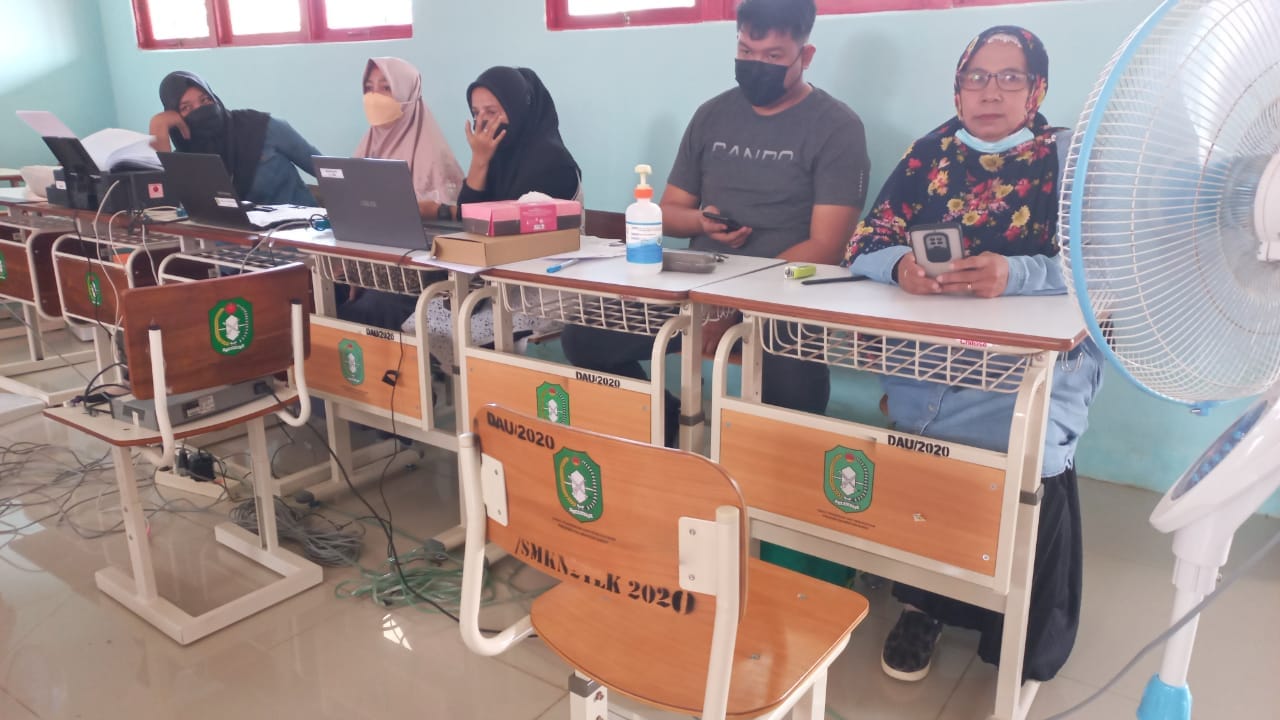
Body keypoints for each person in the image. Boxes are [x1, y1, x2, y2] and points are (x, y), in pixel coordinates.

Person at [843, 25, 1104, 684]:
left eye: (1010, 77)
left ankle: (1018, 627)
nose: (991, 92)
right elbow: (864, 241)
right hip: (930, 360)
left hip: (1033, 368)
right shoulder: (927, 157)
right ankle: (923, 604)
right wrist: (899, 266)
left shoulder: (1069, 159)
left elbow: (1105, 265)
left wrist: (1016, 275)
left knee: (1022, 456)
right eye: (976, 77)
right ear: (958, 90)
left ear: (1037, 89)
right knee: (931, 467)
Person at [560, 0, 870, 448]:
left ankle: (774, 471)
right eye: (745, 51)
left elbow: (826, 246)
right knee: (586, 337)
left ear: (806, 56)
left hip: (784, 295)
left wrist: (731, 308)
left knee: (795, 394)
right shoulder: (712, 115)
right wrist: (701, 221)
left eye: (773, 56)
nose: (756, 65)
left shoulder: (837, 127)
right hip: (696, 288)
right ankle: (667, 424)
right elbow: (670, 212)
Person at [338, 57, 465, 330]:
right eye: (369, 87)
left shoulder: (432, 155)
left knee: (362, 311)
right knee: (325, 293)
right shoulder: (367, 145)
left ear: (407, 93)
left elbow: (449, 236)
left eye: (386, 88)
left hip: (418, 276)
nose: (374, 96)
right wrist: (359, 269)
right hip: (373, 266)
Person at [149, 71, 320, 206]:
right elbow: (162, 207)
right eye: (186, 108)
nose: (200, 110)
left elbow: (327, 171)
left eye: (205, 100)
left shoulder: (263, 127)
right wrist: (159, 128)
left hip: (299, 231)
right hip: (234, 238)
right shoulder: (186, 156)